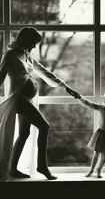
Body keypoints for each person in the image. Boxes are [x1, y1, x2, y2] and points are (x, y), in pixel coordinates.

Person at [0, 27, 73, 181]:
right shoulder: (10, 55)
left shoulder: (28, 56)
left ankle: (13, 169)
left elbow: (44, 72)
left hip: (27, 100)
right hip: (19, 100)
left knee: (24, 134)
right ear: (25, 40)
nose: (35, 46)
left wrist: (65, 87)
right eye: (33, 42)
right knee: (45, 126)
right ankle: (42, 166)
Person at [66, 87, 105, 178]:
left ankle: (99, 169)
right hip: (102, 133)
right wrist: (80, 97)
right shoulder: (102, 108)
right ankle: (92, 170)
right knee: (97, 153)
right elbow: (89, 104)